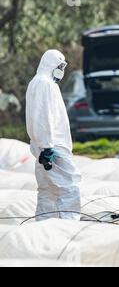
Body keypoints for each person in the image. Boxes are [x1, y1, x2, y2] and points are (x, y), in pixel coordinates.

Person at [26, 49, 81, 221]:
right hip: (53, 148)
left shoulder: (39, 82)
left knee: (47, 191)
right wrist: (47, 147)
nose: (61, 70)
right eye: (60, 66)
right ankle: (67, 228)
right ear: (51, 64)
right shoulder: (44, 84)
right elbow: (43, 117)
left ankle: (44, 229)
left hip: (45, 147)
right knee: (69, 187)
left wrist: (43, 146)